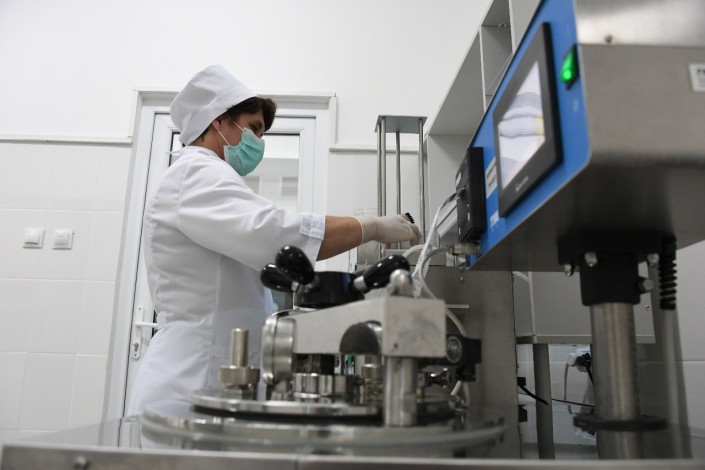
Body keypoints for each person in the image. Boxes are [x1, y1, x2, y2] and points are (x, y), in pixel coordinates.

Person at [126, 65, 421, 415]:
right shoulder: (196, 174)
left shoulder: (209, 178)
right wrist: (373, 226)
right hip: (190, 384)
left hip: (210, 377)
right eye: (253, 128)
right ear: (218, 121)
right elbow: (278, 236)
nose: (259, 142)